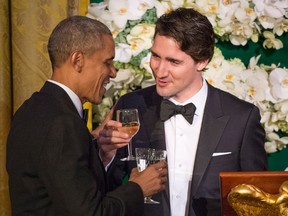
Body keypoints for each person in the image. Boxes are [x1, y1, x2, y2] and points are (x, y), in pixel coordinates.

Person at [94, 8, 268, 216]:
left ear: (202, 61)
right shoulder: (131, 106)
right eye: (156, 56)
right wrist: (105, 156)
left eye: (174, 61)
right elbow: (105, 190)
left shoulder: (242, 118)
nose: (160, 71)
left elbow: (258, 200)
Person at [6, 16, 168, 216]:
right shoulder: (62, 122)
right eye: (107, 62)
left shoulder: (31, 108)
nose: (113, 72)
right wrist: (138, 188)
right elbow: (91, 212)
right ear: (78, 60)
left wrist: (98, 150)